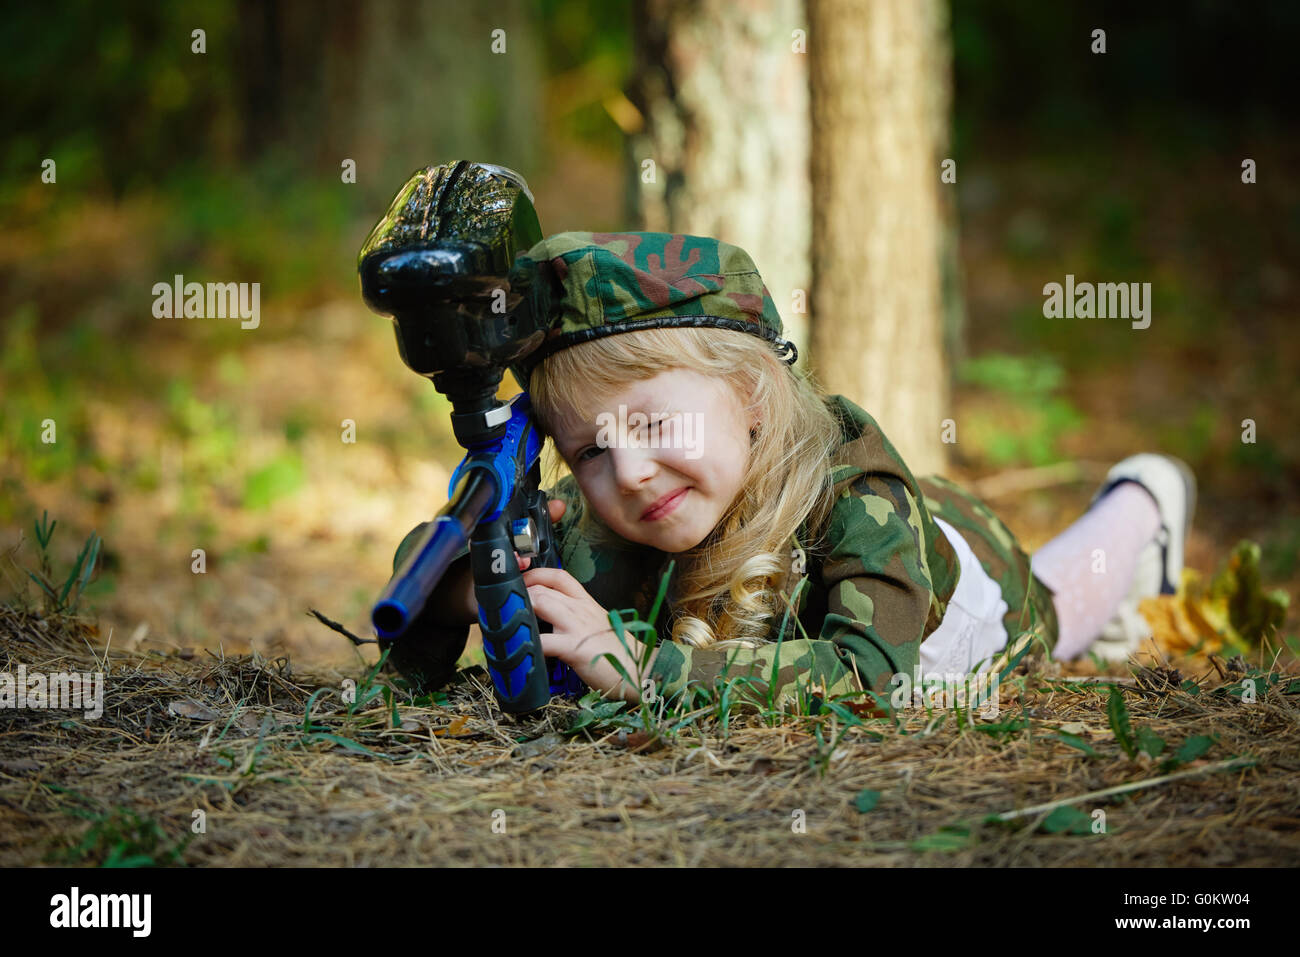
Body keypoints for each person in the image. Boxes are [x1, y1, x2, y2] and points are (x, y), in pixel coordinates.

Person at [384, 232, 1196, 712]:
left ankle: (1143, 503)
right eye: (590, 449)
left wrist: (646, 671)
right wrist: (467, 587)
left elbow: (866, 675)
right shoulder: (622, 498)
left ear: (749, 395)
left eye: (654, 422)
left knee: (1071, 598)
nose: (628, 470)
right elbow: (443, 601)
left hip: (952, 574)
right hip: (866, 537)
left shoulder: (856, 493)